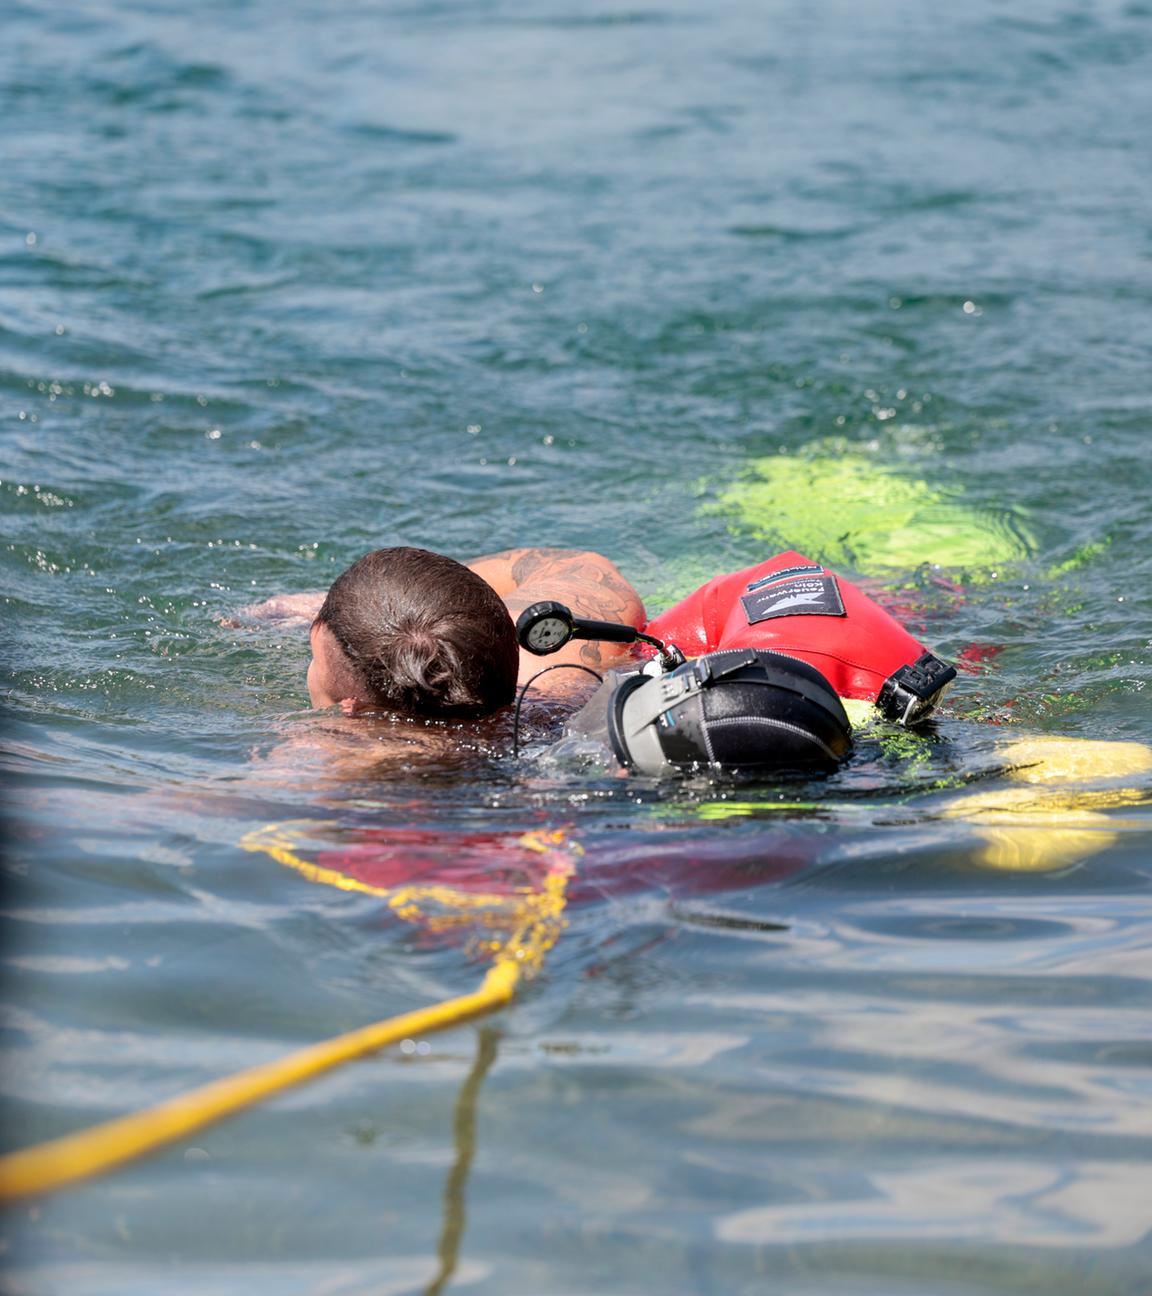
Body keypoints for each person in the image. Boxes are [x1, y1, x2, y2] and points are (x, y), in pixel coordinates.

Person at [245, 546, 646, 718]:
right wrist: (435, 597)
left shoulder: (328, 759)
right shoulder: (563, 671)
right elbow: (581, 564)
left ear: (352, 709)